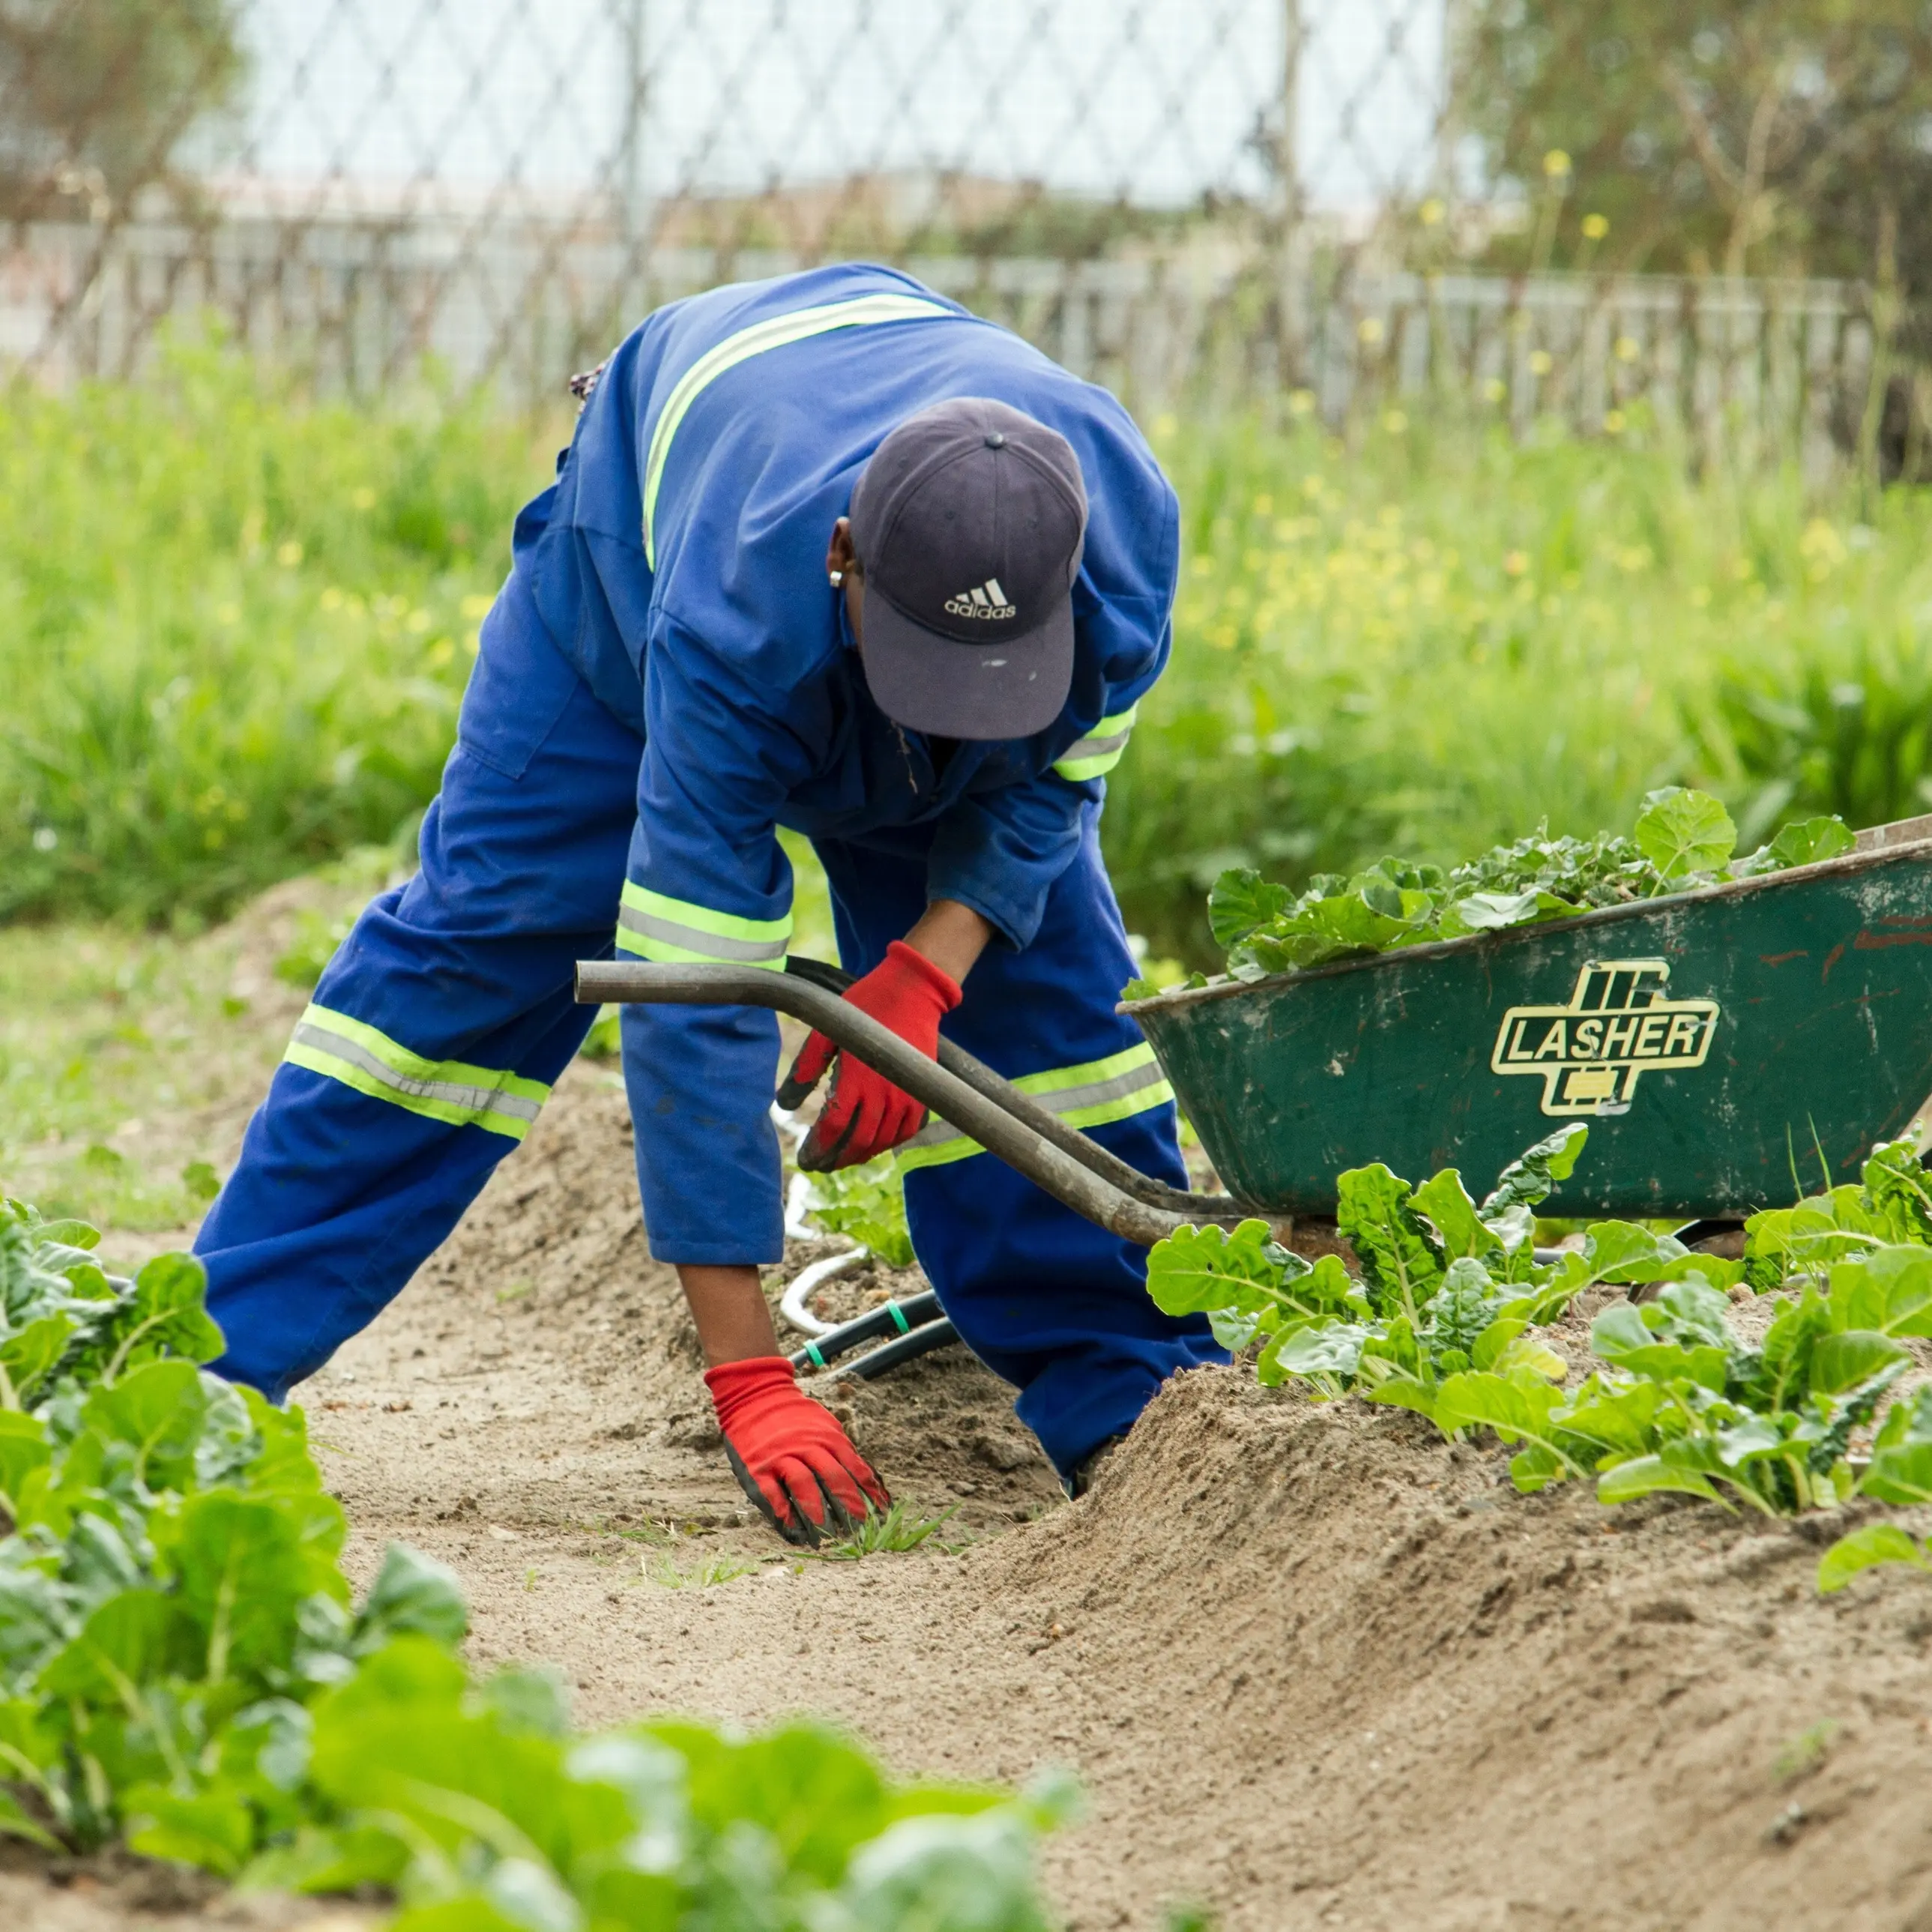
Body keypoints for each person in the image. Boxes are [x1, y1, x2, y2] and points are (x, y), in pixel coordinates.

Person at [194, 262, 1225, 1544]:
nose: (945, 720)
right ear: (843, 561)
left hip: (887, 523)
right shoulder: (736, 613)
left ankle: (1135, 1398)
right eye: (922, 675)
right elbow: (699, 993)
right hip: (637, 560)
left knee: (1037, 1004)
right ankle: (206, 1371)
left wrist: (930, 969)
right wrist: (746, 1367)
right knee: (484, 945)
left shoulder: (1121, 549)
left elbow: (1051, 785)